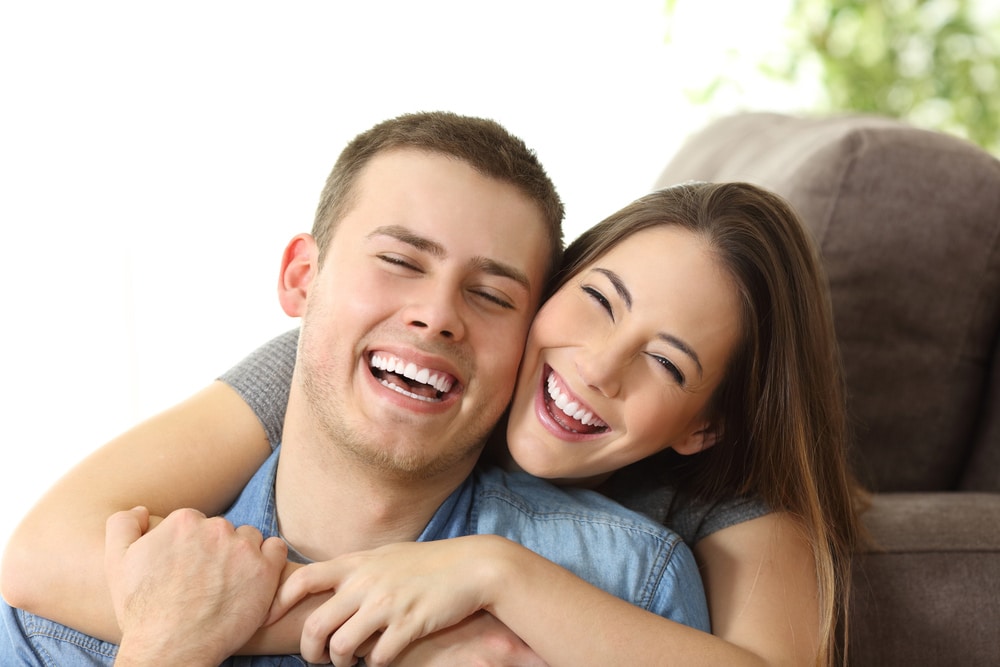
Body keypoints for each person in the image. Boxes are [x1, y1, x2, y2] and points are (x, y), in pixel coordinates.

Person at [0, 111, 712, 666]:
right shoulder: (89, 595)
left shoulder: (626, 586)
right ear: (301, 279)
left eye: (492, 296)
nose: (437, 314)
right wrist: (164, 647)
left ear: (528, 343)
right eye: (400, 260)